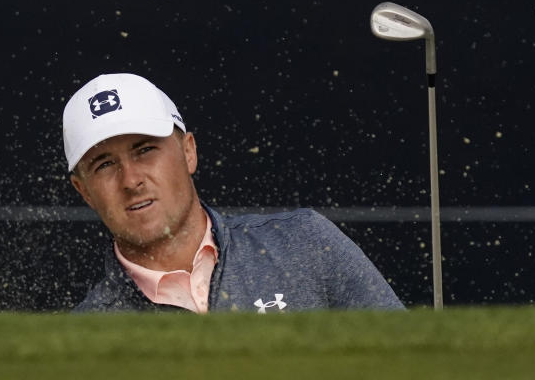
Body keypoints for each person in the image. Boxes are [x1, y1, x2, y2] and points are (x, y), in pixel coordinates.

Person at [62, 73, 405, 313]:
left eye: (145, 150)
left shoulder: (306, 245)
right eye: (104, 165)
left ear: (188, 152)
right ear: (85, 192)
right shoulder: (88, 337)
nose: (130, 180)